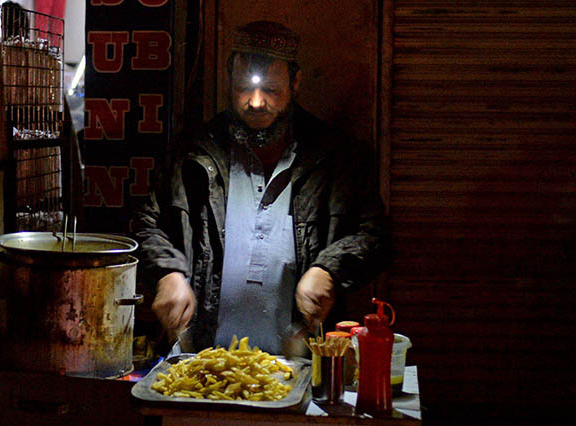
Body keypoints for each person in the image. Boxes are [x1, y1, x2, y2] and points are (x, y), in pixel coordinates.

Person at [130, 20, 392, 355]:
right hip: (203, 362)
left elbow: (376, 235)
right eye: (244, 87)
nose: (256, 102)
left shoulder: (335, 156)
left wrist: (329, 269)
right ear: (229, 79)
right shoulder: (193, 151)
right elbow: (146, 222)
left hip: (300, 362)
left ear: (295, 82)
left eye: (270, 89)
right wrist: (167, 272)